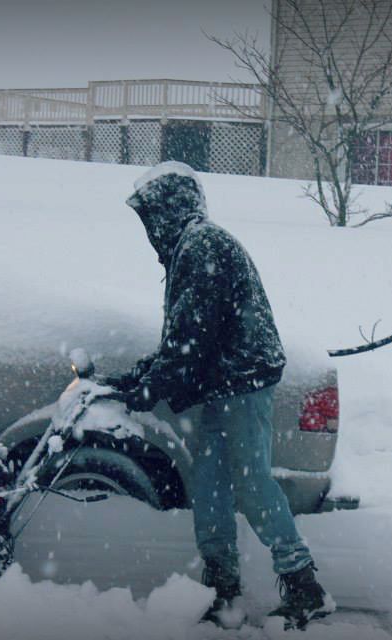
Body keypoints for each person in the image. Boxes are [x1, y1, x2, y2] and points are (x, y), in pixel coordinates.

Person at [107, 161, 335, 629]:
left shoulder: (203, 245)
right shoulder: (189, 247)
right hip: (220, 384)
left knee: (251, 485)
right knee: (209, 485)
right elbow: (181, 340)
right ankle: (223, 589)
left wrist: (151, 387)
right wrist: (139, 376)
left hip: (244, 382)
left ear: (171, 210)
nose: (149, 228)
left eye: (152, 216)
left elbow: (192, 338)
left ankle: (304, 585)